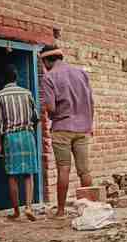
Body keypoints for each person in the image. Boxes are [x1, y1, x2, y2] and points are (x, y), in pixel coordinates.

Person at [40, 45, 94, 217]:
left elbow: (50, 106)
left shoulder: (49, 77)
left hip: (62, 128)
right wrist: (88, 123)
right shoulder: (81, 73)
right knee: (84, 171)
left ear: (46, 61)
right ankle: (91, 209)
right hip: (83, 128)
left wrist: (52, 113)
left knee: (64, 169)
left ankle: (61, 211)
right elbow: (91, 102)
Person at [0, 64, 40, 221]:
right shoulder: (27, 93)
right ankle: (28, 207)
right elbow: (36, 117)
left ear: (3, 79)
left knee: (12, 175)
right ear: (16, 77)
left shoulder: (0, 95)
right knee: (29, 173)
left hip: (10, 137)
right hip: (27, 135)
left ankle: (16, 211)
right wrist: (30, 130)